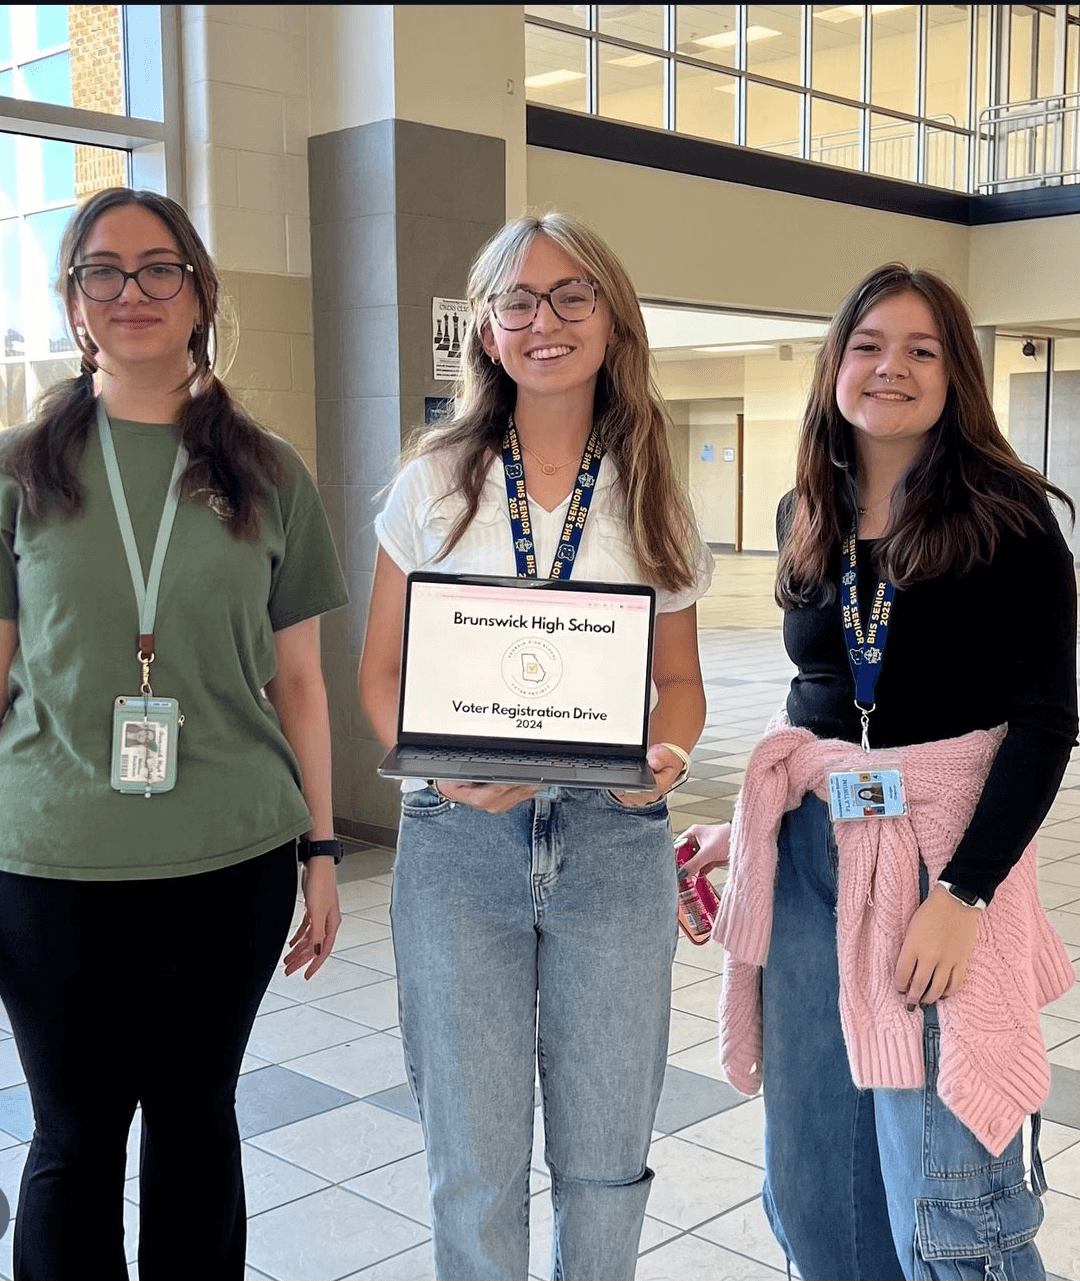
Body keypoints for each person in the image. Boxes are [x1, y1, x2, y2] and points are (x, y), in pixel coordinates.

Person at [680, 264, 1077, 1281]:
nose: (889, 367)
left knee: (950, 1191)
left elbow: (1044, 727)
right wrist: (751, 825)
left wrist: (966, 893)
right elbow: (817, 691)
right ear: (834, 365)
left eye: (921, 349)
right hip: (815, 863)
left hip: (935, 857)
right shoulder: (804, 510)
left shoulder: (1013, 519)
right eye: (867, 345)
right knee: (817, 1165)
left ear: (956, 376)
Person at [0, 188, 348, 1280]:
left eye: (160, 269)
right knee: (73, 1138)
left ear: (200, 291)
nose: (132, 292)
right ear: (73, 303)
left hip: (230, 857)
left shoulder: (271, 471)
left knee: (198, 1124)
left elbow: (300, 681)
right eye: (102, 271)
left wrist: (324, 851)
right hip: (48, 861)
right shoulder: (19, 470)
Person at [359, 212, 712, 1280]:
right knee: (473, 1165)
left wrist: (668, 764)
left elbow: (681, 687)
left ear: (613, 319)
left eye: (572, 297)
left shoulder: (654, 488)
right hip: (458, 851)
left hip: (613, 845)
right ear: (486, 328)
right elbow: (381, 676)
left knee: (607, 1164)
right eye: (518, 300)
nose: (543, 321)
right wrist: (433, 766)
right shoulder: (434, 479)